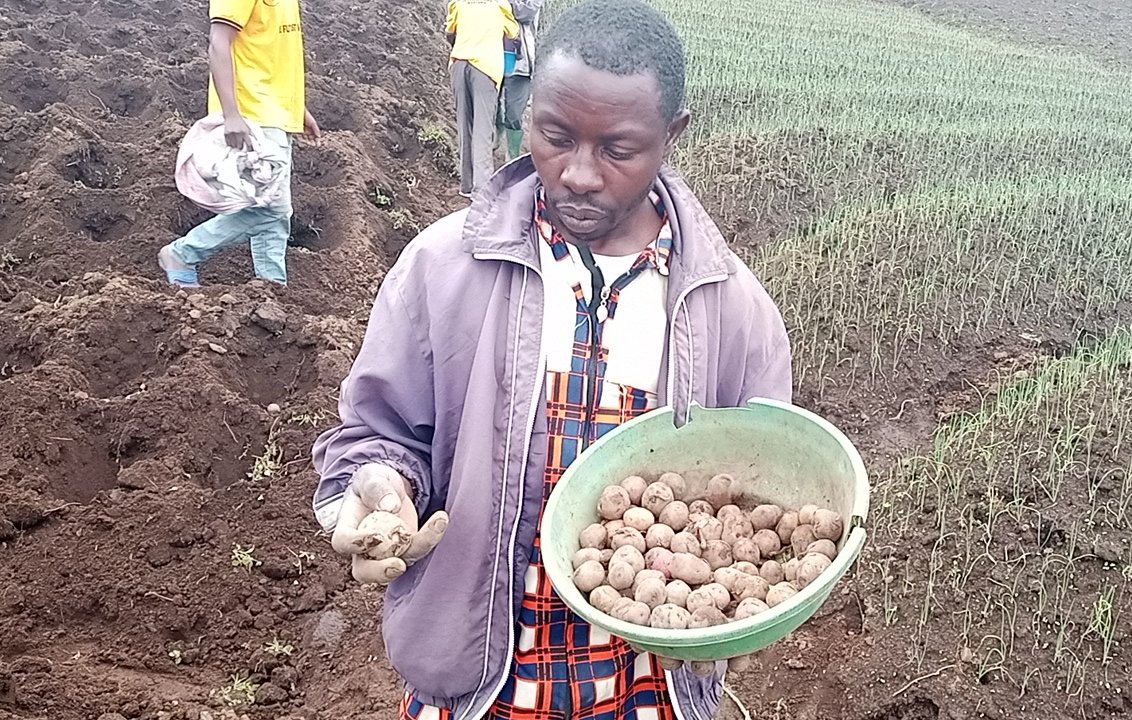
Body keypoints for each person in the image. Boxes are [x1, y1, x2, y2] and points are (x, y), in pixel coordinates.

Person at [312, 0, 792, 718]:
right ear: (527, 109)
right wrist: (381, 483)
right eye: (553, 134)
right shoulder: (443, 270)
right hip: (480, 687)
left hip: (646, 692)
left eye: (617, 149)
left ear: (672, 136)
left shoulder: (732, 311)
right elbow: (374, 433)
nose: (578, 174)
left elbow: (765, 495)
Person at [158, 0, 320, 288]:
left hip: (274, 113)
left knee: (275, 209)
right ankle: (183, 253)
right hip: (252, 116)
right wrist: (231, 114)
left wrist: (297, 109)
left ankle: (272, 287)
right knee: (270, 209)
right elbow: (219, 42)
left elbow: (273, 53)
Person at [447, 0, 520, 198]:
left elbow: (450, 32)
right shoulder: (500, 4)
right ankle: (482, 190)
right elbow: (513, 33)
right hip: (485, 69)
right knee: (483, 130)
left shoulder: (459, 2)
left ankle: (467, 185)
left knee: (464, 126)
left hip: (459, 65)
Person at [497, 0, 542, 162]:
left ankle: (512, 154)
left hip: (521, 63)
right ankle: (496, 135)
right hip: (492, 58)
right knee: (493, 105)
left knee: (514, 113)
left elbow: (526, 13)